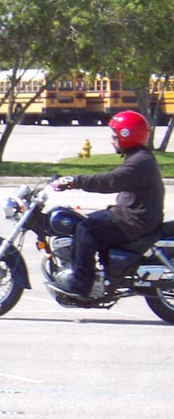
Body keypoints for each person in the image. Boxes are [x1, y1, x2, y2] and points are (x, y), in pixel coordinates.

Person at [51, 110, 165, 298]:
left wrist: (74, 181)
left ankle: (81, 285)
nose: (112, 140)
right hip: (134, 216)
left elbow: (109, 181)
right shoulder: (139, 158)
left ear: (127, 135)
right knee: (87, 223)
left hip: (134, 221)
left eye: (115, 136)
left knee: (86, 228)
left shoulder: (140, 162)